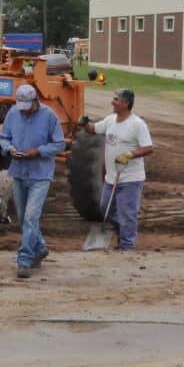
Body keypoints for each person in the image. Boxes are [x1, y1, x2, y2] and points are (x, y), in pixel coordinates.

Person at [0, 84, 66, 279]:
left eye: (28, 108)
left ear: (36, 101)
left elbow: (59, 143)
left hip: (40, 174)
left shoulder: (49, 116)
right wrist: (10, 149)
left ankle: (24, 259)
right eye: (22, 109)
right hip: (19, 171)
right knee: (23, 219)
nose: (25, 113)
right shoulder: (13, 113)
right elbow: (3, 137)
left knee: (30, 217)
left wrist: (38, 151)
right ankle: (40, 247)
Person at [79, 88, 153, 251]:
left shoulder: (137, 125)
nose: (112, 102)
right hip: (111, 178)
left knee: (127, 214)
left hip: (130, 179)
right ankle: (122, 235)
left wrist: (129, 154)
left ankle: (127, 246)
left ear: (126, 104)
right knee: (105, 208)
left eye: (116, 100)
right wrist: (85, 124)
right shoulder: (111, 120)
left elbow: (148, 148)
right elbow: (94, 129)